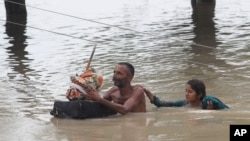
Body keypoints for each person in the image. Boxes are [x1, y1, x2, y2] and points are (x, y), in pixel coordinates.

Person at [143, 79, 229, 110]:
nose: (186, 94)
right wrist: (149, 94)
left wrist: (209, 112)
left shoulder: (207, 103)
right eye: (186, 91)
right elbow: (161, 104)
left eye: (190, 92)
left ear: (199, 95)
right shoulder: (185, 103)